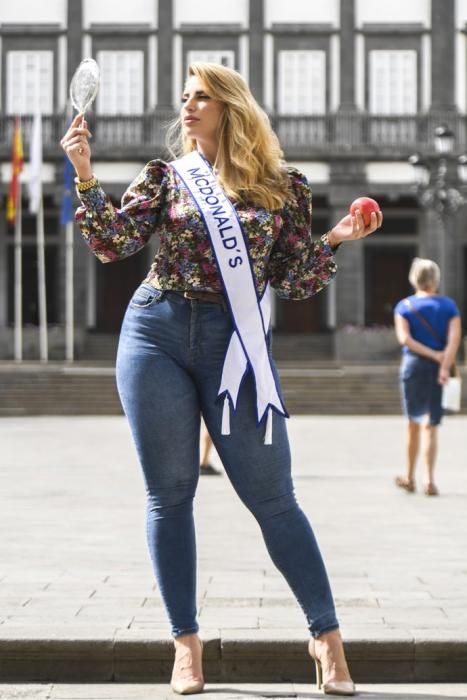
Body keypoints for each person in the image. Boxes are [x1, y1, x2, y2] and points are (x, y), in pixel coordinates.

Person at [61, 62, 382, 696]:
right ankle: (185, 645)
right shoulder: (167, 176)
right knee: (169, 494)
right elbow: (113, 244)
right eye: (184, 97)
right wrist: (84, 175)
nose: (187, 106)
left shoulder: (284, 186)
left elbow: (292, 280)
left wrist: (339, 237)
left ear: (231, 106)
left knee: (274, 498)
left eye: (201, 96)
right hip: (154, 331)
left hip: (232, 347)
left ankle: (326, 638)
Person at [394, 258, 461, 496]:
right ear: (436, 278)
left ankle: (409, 476)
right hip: (439, 368)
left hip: (413, 365)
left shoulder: (404, 306)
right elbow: (454, 340)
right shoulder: (449, 306)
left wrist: (430, 354)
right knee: (431, 425)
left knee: (412, 422)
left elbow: (405, 339)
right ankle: (429, 480)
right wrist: (444, 364)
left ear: (414, 278)